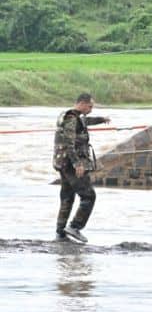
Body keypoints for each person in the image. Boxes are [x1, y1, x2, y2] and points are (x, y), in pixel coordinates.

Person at [53, 93, 110, 243]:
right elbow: (69, 143)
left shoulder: (71, 116)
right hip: (71, 165)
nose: (91, 109)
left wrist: (101, 120)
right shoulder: (71, 118)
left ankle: (60, 233)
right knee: (89, 196)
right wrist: (77, 163)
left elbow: (85, 121)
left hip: (63, 164)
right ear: (82, 103)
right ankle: (75, 227)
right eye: (90, 106)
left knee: (67, 198)